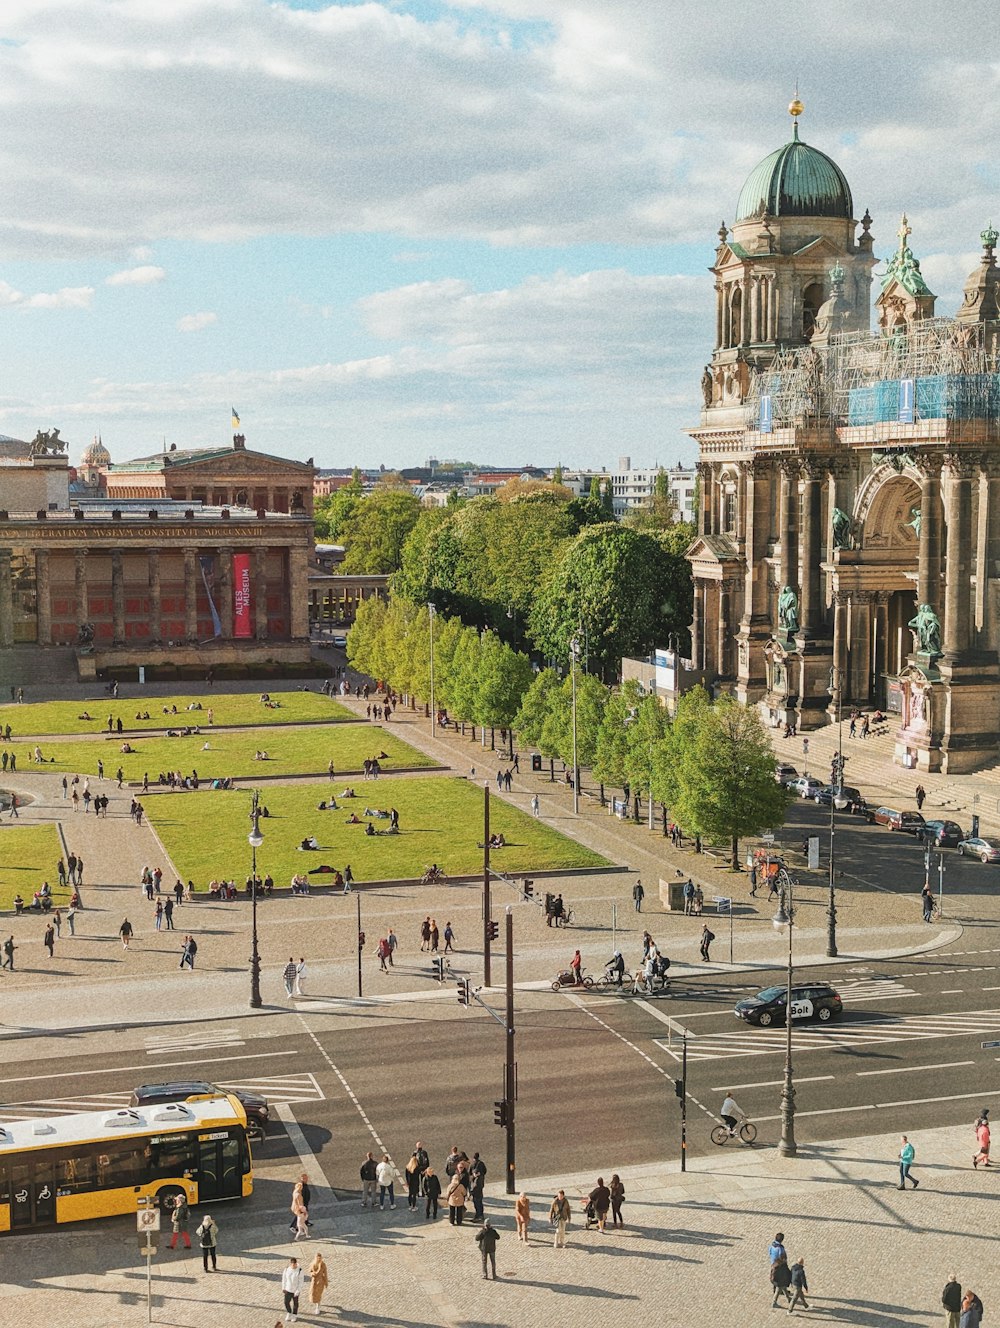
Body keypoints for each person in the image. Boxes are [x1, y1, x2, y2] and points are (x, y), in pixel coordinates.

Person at [281, 1256, 305, 1321]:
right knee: (286, 1302)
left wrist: (298, 1290)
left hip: (295, 1291)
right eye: (292, 1264)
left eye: (294, 1264)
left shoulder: (300, 1271)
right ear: (290, 1263)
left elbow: (301, 1281)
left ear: (296, 1263)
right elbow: (284, 1279)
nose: (293, 1265)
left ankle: (294, 1315)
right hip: (288, 1289)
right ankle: (289, 1312)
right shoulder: (286, 1269)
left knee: (295, 1303)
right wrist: (283, 1287)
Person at [307, 1251, 329, 1316]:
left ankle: (317, 1307)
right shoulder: (312, 1264)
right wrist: (312, 1273)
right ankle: (316, 1303)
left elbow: (325, 1274)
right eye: (318, 1258)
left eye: (320, 1258)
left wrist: (326, 1282)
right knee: (313, 1293)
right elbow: (310, 1271)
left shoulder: (323, 1265)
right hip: (314, 1282)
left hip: (320, 1282)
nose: (319, 1260)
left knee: (319, 1294)